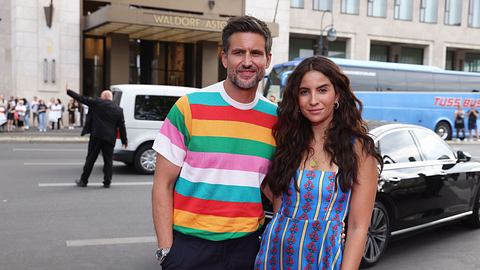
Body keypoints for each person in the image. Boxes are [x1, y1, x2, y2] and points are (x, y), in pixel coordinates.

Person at [151, 15, 276, 269]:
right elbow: (162, 185)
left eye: (256, 53)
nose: (248, 61)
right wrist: (166, 251)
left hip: (248, 248)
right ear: (224, 57)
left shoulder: (277, 119)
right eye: (238, 52)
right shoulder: (188, 107)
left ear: (268, 60)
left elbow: (272, 186)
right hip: (189, 248)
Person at [254, 56, 382, 270]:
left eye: (322, 90)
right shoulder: (287, 142)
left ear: (337, 94)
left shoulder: (358, 149)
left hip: (323, 257)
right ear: (296, 98)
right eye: (304, 92)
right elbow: (276, 199)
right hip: (275, 252)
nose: (313, 100)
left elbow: (359, 227)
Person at [67, 89, 127, 188]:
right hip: (109, 138)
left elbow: (81, 98)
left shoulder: (96, 103)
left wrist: (68, 91)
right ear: (111, 98)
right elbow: (122, 126)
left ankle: (83, 181)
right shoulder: (118, 109)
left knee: (90, 159)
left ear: (102, 97)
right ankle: (107, 182)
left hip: (97, 136)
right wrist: (124, 140)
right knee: (108, 161)